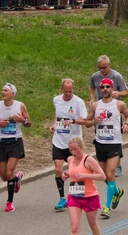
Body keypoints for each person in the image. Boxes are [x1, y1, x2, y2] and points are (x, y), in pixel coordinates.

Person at [83, 78, 128, 218]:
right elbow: (87, 123)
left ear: (112, 89)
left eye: (107, 87)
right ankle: (117, 192)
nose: (105, 89)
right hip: (100, 143)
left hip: (114, 143)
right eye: (102, 87)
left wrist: (126, 125)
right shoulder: (95, 106)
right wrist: (93, 121)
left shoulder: (119, 104)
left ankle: (106, 206)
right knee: (104, 176)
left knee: (110, 175)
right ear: (99, 90)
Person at [51, 79, 88, 211]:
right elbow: (57, 114)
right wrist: (54, 124)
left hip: (74, 142)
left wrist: (72, 121)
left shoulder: (78, 102)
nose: (68, 94)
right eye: (66, 91)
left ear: (74, 89)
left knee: (76, 171)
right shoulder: (56, 100)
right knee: (58, 170)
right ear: (62, 89)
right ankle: (62, 198)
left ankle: (77, 197)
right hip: (59, 140)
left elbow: (85, 120)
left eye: (70, 91)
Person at [90, 55, 128, 178]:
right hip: (100, 110)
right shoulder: (95, 76)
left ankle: (117, 164)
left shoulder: (116, 76)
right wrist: (92, 99)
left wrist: (119, 93)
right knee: (102, 135)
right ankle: (105, 161)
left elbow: (127, 92)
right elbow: (92, 88)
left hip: (114, 109)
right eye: (100, 68)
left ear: (109, 65)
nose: (102, 70)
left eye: (104, 67)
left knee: (114, 136)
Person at [62, 137, 105, 235]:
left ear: (81, 148)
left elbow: (102, 176)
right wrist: (67, 175)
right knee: (74, 228)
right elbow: (74, 172)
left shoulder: (89, 160)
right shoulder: (70, 160)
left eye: (75, 149)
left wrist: (85, 176)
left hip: (90, 197)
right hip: (74, 197)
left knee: (93, 225)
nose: (73, 152)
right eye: (71, 150)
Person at [0, 83, 30, 212]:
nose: (3, 92)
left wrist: (22, 120)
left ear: (12, 93)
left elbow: (29, 123)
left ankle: (9, 202)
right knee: (4, 177)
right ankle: (17, 179)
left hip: (15, 142)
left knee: (8, 172)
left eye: (6, 90)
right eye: (2, 90)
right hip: (1, 142)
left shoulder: (20, 105)